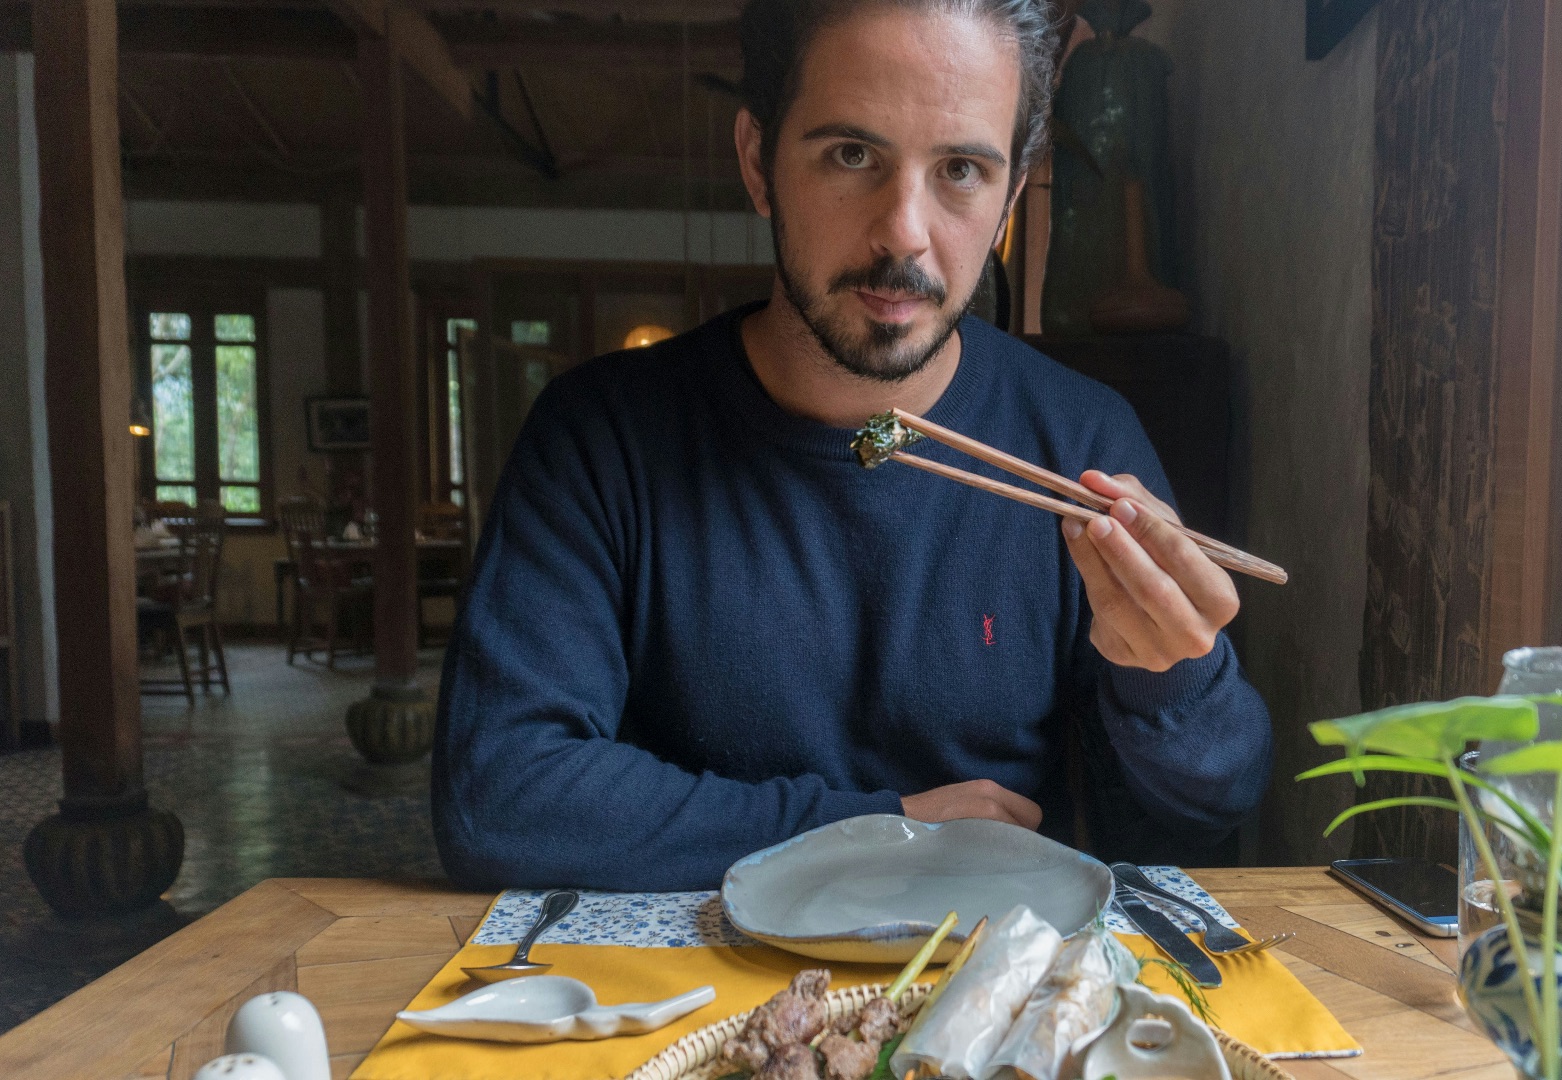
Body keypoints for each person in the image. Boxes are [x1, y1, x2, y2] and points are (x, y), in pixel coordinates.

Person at [432, 0, 1274, 891]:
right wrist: (875, 830)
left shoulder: (1077, 441)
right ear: (758, 162)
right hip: (680, 1001)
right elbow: (500, 794)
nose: (903, 233)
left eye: (959, 170)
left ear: (1010, 199)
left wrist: (1170, 679)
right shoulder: (598, 439)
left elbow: (1213, 803)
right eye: (851, 154)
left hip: (988, 991)